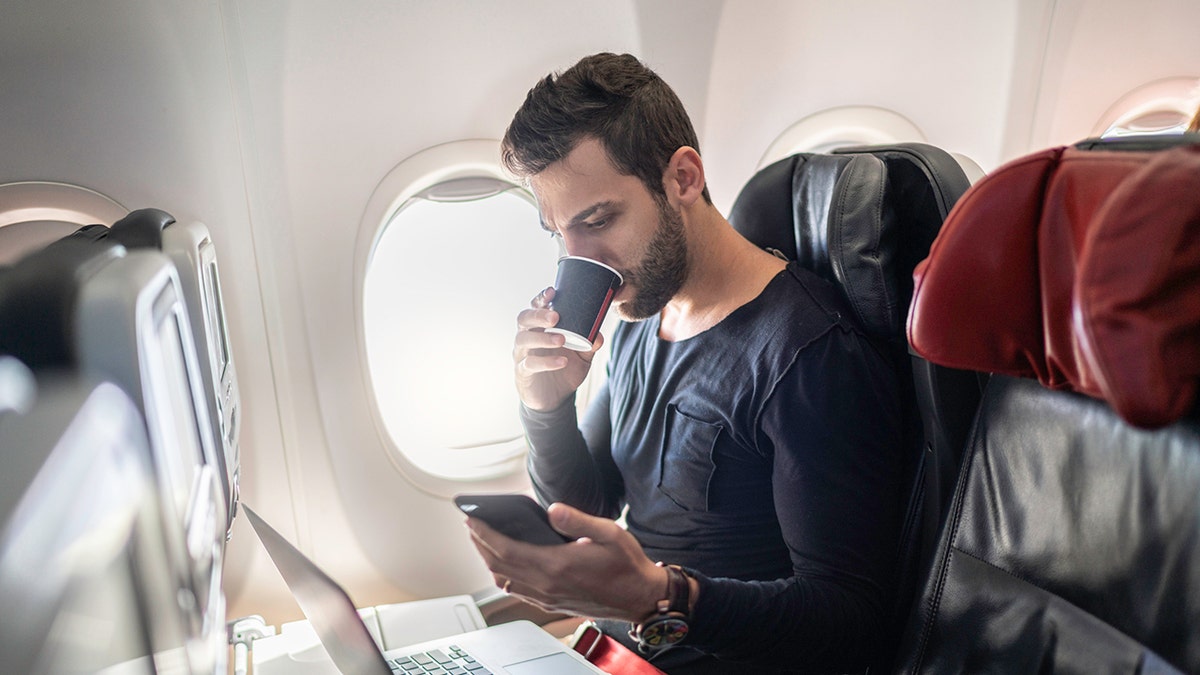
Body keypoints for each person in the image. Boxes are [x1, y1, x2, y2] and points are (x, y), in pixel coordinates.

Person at [465, 52, 904, 674]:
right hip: (615, 655)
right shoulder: (643, 321)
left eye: (598, 220)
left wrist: (660, 599)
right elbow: (586, 505)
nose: (583, 264)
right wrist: (547, 406)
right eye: (558, 234)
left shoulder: (806, 355)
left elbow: (849, 621)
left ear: (683, 179)